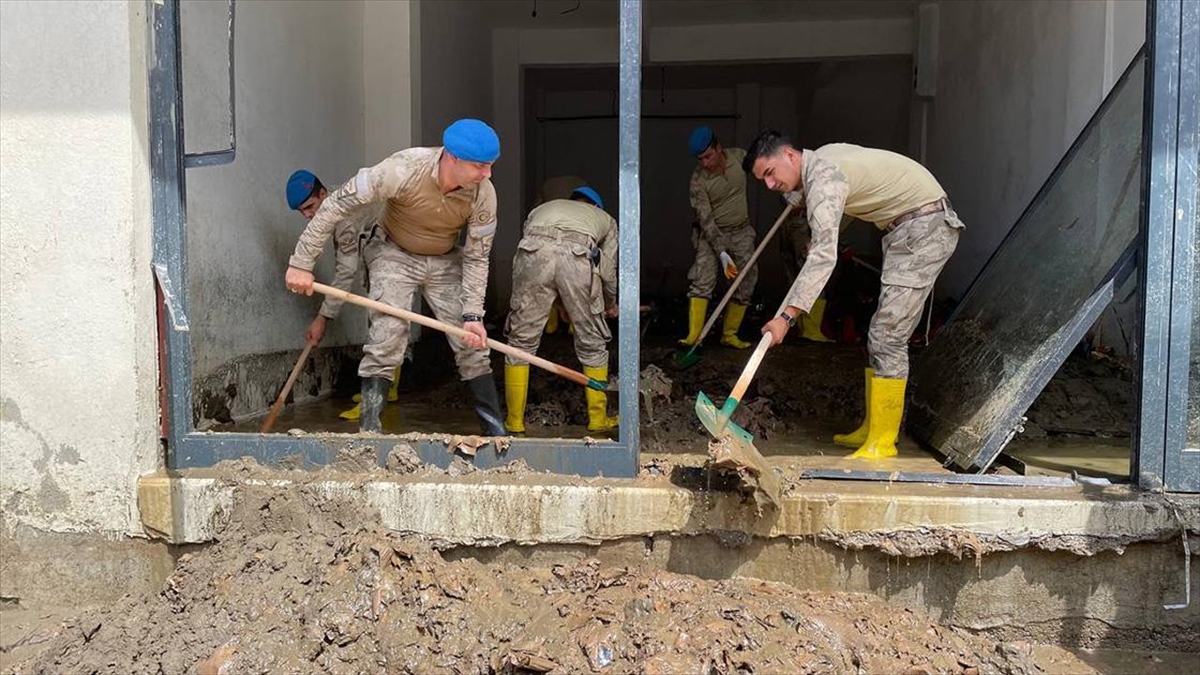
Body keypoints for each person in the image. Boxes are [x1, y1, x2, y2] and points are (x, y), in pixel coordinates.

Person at [744, 132, 964, 459]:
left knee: (888, 336)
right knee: (876, 333)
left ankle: (883, 441)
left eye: (770, 173)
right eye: (763, 179)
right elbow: (840, 203)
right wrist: (807, 207)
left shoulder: (823, 177)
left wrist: (786, 318)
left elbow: (823, 255)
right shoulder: (823, 155)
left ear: (789, 155)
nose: (770, 184)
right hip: (909, 229)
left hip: (924, 229)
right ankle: (872, 427)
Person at [285, 119, 506, 436]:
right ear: (452, 158)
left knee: (472, 344)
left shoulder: (483, 194)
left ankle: (495, 433)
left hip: (445, 259)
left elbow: (477, 255)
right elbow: (334, 205)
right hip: (393, 252)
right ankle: (369, 437)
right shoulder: (403, 169)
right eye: (480, 166)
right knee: (387, 338)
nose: (487, 175)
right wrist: (301, 262)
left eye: (490, 166)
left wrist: (473, 314)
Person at [284, 169, 408, 421]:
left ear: (322, 193)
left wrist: (323, 318)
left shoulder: (343, 219)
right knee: (382, 318)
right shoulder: (334, 197)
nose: (308, 215)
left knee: (384, 322)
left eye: (310, 207)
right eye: (302, 212)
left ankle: (376, 400)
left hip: (392, 249)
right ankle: (388, 389)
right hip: (383, 245)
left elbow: (345, 272)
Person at [503, 186, 619, 435]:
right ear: (596, 207)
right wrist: (609, 304)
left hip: (533, 249)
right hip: (577, 255)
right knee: (592, 341)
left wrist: (559, 303)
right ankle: (598, 419)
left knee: (520, 341)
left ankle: (514, 421)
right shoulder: (606, 221)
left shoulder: (541, 210)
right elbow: (607, 272)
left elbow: (544, 262)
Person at [679, 126, 759, 350]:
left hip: (741, 231)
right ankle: (694, 336)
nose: (705, 163)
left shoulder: (740, 158)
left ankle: (729, 334)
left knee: (747, 279)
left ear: (718, 147)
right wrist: (721, 252)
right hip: (711, 234)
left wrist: (786, 191)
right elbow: (706, 220)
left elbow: (764, 172)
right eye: (700, 159)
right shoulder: (698, 181)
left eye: (708, 156)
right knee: (702, 279)